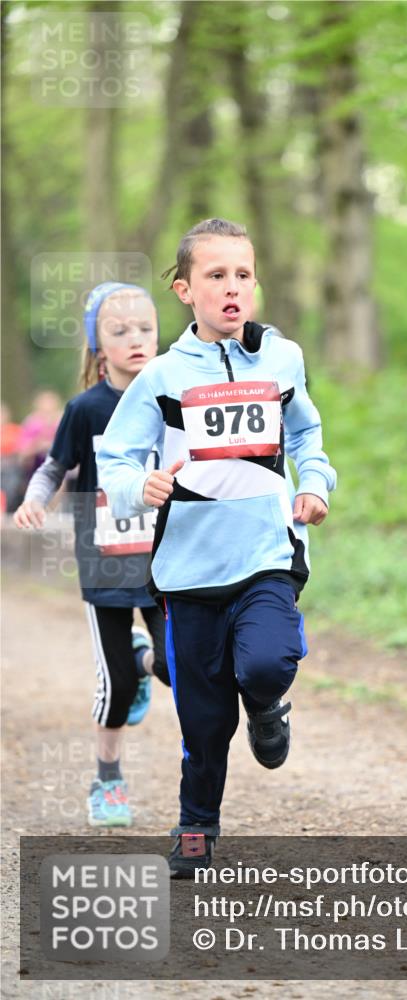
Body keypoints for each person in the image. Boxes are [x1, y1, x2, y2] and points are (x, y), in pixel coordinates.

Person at [98, 218, 336, 877]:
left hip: (267, 552)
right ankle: (196, 828)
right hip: (188, 570)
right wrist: (134, 484)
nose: (232, 288)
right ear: (184, 290)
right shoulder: (163, 377)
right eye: (215, 275)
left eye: (242, 275)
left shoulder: (282, 360)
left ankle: (266, 705)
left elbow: (308, 436)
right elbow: (115, 457)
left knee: (264, 663)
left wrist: (313, 484)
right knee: (203, 725)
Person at [14, 282, 172, 827]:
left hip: (162, 561)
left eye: (146, 329)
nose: (136, 339)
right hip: (104, 562)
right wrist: (34, 503)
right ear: (98, 345)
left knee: (182, 664)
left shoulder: (170, 396)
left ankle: (141, 658)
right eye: (120, 331)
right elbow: (54, 467)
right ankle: (108, 781)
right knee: (117, 688)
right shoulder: (86, 409)